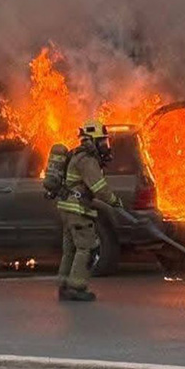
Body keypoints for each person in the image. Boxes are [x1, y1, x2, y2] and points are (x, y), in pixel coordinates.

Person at [55, 120, 123, 302]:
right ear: (91, 141)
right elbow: (99, 187)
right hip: (77, 209)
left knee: (71, 249)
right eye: (102, 142)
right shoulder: (87, 160)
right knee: (87, 248)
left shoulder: (78, 156)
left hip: (67, 207)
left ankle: (64, 285)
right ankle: (76, 288)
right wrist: (114, 201)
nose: (105, 146)